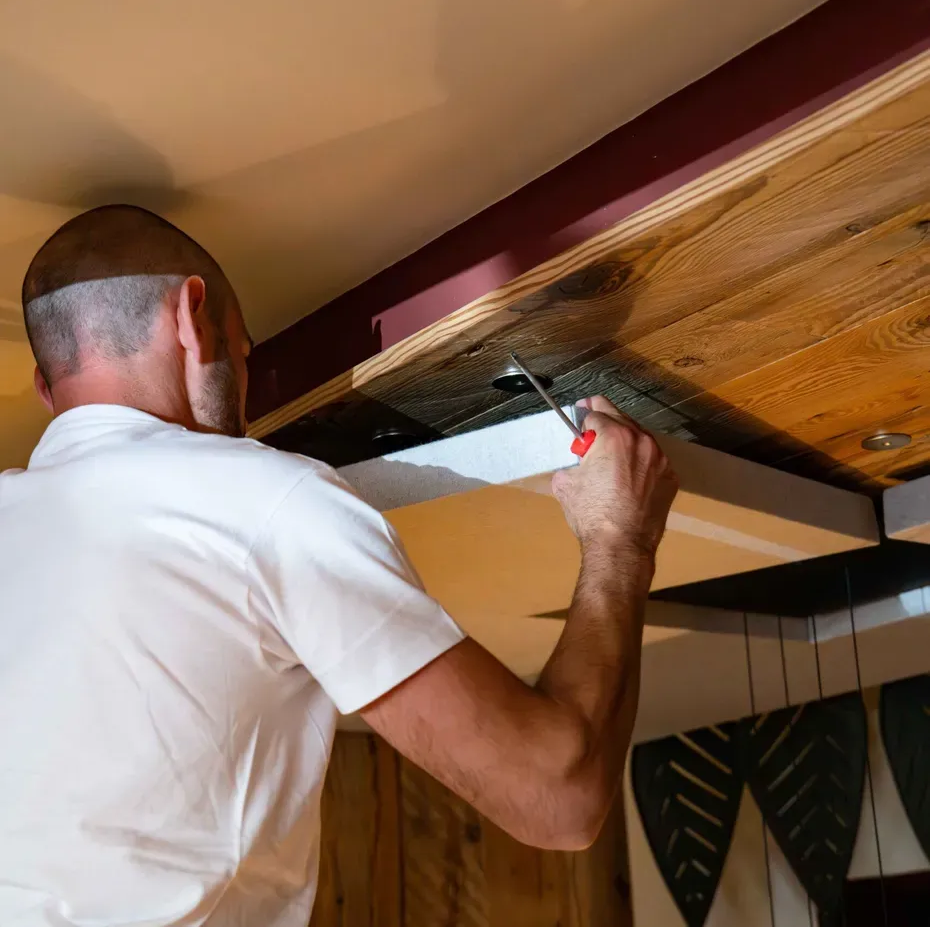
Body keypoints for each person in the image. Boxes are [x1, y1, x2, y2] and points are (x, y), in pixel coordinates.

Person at [0, 205, 678, 926]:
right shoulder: (261, 498)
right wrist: (619, 538)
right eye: (245, 346)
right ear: (192, 318)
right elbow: (557, 798)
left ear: (47, 389)